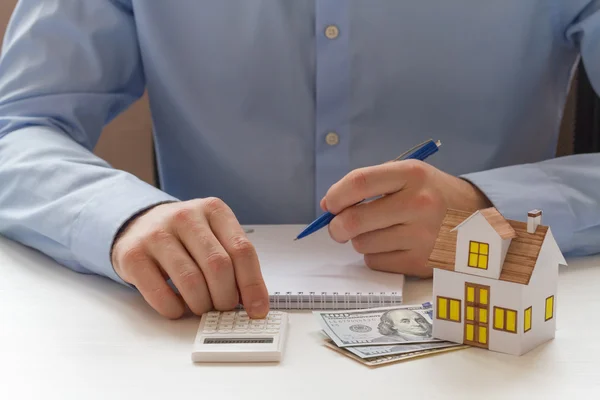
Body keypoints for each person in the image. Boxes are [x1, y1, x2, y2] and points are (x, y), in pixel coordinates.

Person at [0, 2, 599, 320]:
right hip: (191, 328)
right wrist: (123, 218)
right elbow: (15, 127)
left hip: (489, 322)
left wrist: (490, 212)